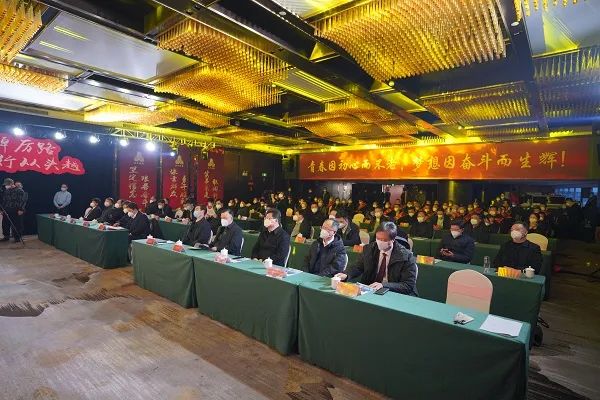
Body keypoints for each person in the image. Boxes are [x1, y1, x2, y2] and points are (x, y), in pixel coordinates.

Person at [335, 222, 418, 296]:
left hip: (394, 293)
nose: (380, 242)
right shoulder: (369, 249)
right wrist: (347, 274)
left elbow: (408, 285)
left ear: (393, 239)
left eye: (384, 240)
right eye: (378, 239)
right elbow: (358, 267)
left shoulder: (406, 256)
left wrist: (383, 285)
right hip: (371, 289)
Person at [1, 178, 25, 242]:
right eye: (6, 184)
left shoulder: (19, 190)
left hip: (16, 210)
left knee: (17, 224)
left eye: (7, 184)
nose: (6, 186)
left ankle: (17, 237)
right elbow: (4, 201)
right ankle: (6, 236)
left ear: (12, 183)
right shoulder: (6, 191)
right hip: (7, 209)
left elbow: (22, 201)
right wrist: (2, 210)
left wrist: (21, 209)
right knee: (5, 224)